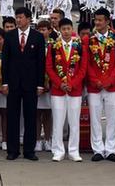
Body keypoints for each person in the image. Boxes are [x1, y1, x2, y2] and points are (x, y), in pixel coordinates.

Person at [2, 7, 46, 161]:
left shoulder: (37, 37)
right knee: (12, 117)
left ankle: (29, 150)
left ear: (28, 19)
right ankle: (12, 150)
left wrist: (40, 84)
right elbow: (5, 62)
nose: (18, 20)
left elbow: (41, 63)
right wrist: (5, 82)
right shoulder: (10, 36)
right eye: (17, 17)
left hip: (31, 84)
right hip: (13, 83)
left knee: (30, 117)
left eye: (21, 17)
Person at [83, 8, 115, 162]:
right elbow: (87, 64)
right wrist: (95, 80)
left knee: (112, 118)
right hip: (95, 86)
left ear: (107, 21)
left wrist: (109, 80)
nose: (97, 23)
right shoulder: (88, 40)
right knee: (95, 118)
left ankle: (111, 149)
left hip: (111, 85)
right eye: (96, 20)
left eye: (100, 20)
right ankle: (98, 149)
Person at [45, 18, 87, 162]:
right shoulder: (54, 46)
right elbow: (49, 68)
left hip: (74, 90)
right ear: (60, 30)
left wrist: (74, 83)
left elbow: (83, 68)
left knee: (74, 121)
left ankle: (74, 150)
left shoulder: (79, 46)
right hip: (58, 89)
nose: (66, 32)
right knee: (58, 121)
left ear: (72, 29)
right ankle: (58, 150)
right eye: (63, 29)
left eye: (69, 29)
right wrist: (59, 83)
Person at [35, 20, 53, 152]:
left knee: (47, 114)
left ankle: (47, 139)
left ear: (50, 31)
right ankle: (37, 140)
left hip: (50, 83)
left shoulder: (54, 45)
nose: (42, 32)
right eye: (39, 30)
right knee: (37, 114)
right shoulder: (34, 44)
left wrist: (49, 81)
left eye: (44, 29)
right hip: (37, 84)